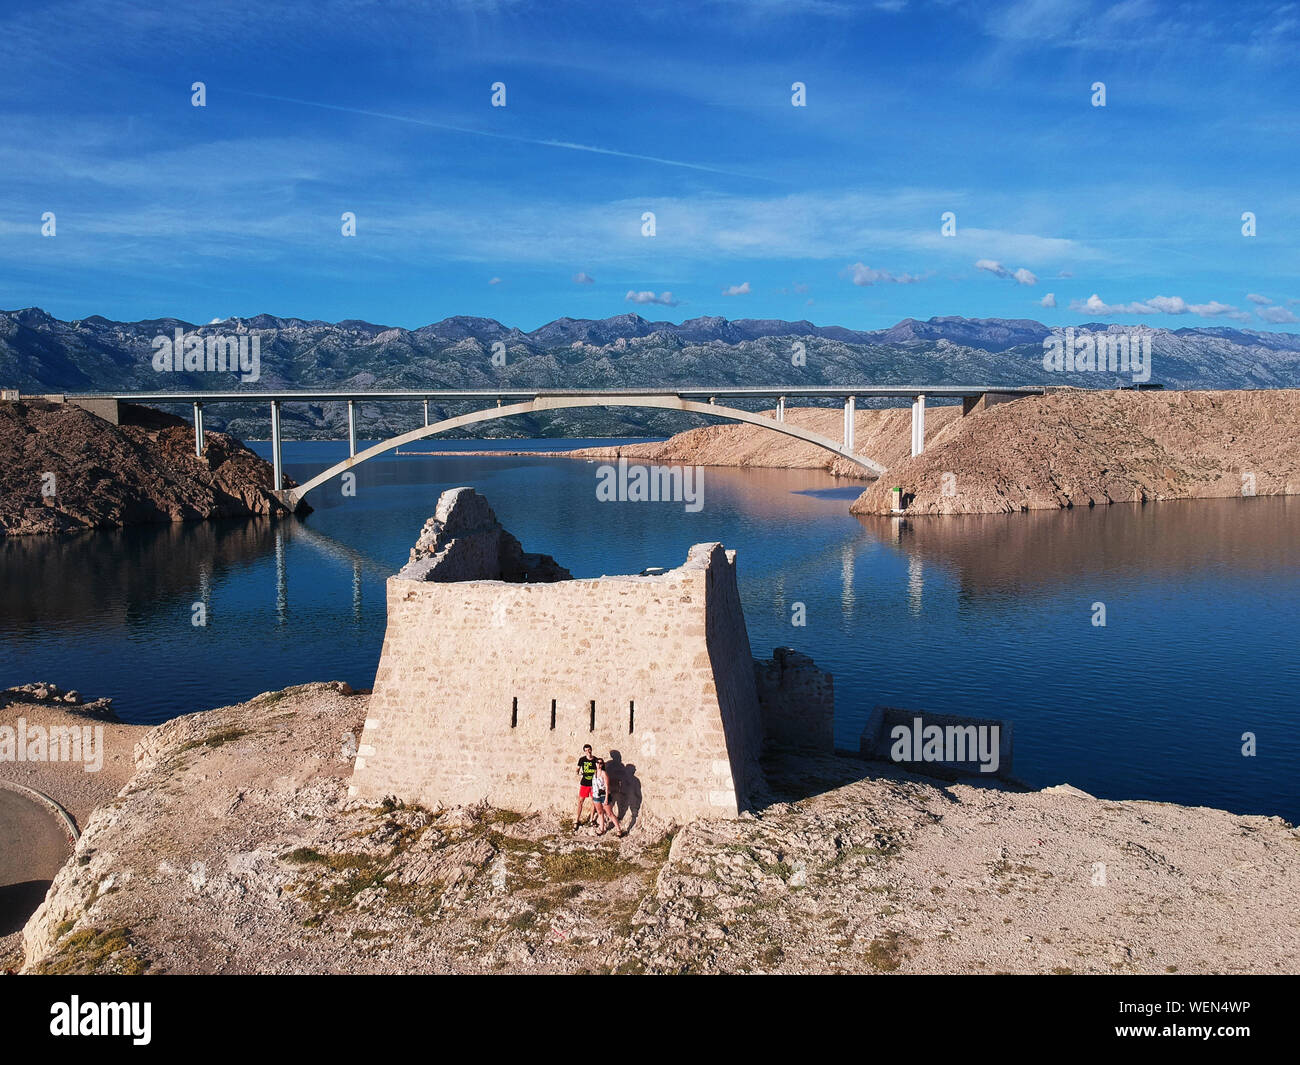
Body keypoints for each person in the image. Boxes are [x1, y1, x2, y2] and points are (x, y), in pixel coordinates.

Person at [592, 757, 624, 837]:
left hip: (603, 796)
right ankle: (602, 829)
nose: (599, 764)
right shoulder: (594, 773)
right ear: (595, 764)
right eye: (598, 763)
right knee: (600, 812)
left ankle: (619, 830)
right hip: (596, 796)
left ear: (602, 765)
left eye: (601, 763)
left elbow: (607, 787)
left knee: (610, 813)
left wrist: (606, 798)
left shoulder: (604, 773)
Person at [575, 744, 597, 831]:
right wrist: (578, 773)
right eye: (586, 750)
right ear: (584, 751)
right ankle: (577, 820)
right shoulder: (582, 759)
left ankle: (591, 819)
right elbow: (577, 769)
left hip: (593, 784)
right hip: (584, 783)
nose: (588, 751)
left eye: (589, 750)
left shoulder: (596, 760)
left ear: (591, 750)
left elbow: (599, 770)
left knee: (593, 801)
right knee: (580, 801)